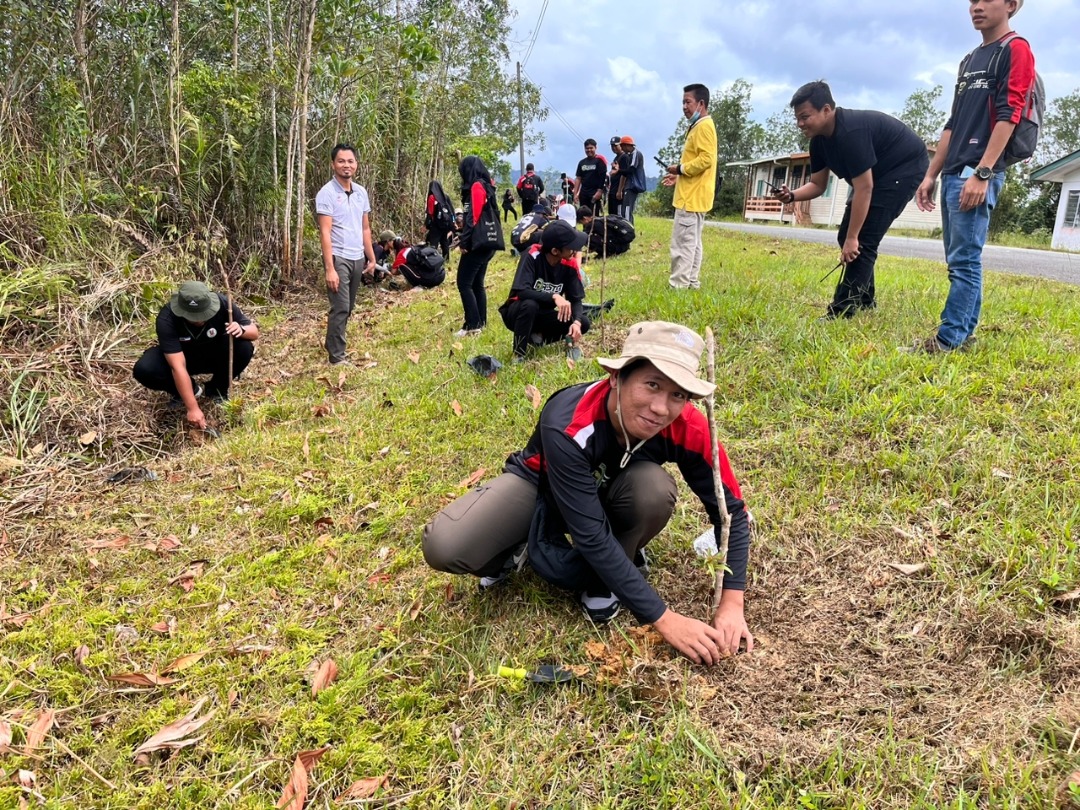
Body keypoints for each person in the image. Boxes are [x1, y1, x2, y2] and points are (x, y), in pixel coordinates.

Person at [422, 321, 753, 665]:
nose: (661, 407)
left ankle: (608, 576)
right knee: (446, 545)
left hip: (615, 493)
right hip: (542, 486)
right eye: (652, 385)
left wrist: (732, 601)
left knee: (653, 489)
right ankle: (516, 546)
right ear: (617, 377)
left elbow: (731, 513)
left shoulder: (690, 427)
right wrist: (665, 620)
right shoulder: (569, 421)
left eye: (678, 395)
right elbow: (591, 536)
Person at [912, 0, 1036, 352]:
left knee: (963, 261)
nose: (976, 7)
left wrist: (984, 172)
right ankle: (964, 337)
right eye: (971, 1)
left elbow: (1009, 113)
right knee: (960, 261)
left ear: (1011, 5)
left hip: (977, 172)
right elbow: (953, 122)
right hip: (953, 171)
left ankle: (948, 340)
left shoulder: (1016, 49)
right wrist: (930, 173)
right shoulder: (969, 61)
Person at [774, 81, 929, 320]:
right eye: (797, 118)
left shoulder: (850, 133)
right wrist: (792, 195)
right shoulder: (819, 142)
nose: (800, 124)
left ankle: (841, 311)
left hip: (904, 169)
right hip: (875, 176)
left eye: (805, 116)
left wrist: (853, 238)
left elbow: (864, 188)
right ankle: (866, 299)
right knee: (845, 235)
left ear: (826, 109)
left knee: (862, 241)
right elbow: (818, 184)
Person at [133, 281, 259, 429]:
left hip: (214, 354)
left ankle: (217, 389)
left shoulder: (223, 304)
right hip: (184, 359)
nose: (198, 320)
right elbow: (177, 366)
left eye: (202, 315)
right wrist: (192, 408)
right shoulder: (167, 318)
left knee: (244, 347)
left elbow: (254, 332)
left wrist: (241, 329)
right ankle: (189, 390)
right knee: (145, 368)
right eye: (192, 316)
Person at [316, 143, 376, 365]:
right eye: (341, 161)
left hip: (357, 256)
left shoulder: (361, 192)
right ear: (333, 164)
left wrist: (371, 257)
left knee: (348, 306)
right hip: (338, 257)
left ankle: (332, 342)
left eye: (350, 161)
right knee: (340, 307)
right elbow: (325, 231)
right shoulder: (327, 193)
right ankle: (337, 356)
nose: (346, 165)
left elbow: (365, 228)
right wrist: (330, 268)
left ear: (356, 164)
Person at [498, 220, 590, 363]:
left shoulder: (569, 264)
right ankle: (519, 354)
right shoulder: (532, 255)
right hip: (518, 313)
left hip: (543, 316)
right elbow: (522, 291)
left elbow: (576, 299)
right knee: (530, 305)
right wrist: (554, 296)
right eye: (570, 247)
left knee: (584, 321)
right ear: (555, 251)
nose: (575, 250)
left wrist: (576, 323)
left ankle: (537, 338)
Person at [662, 84, 717, 289]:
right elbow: (700, 163)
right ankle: (691, 281)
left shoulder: (703, 126)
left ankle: (679, 285)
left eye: (688, 102)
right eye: (683, 102)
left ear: (701, 104)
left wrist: (680, 169)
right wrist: (679, 177)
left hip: (691, 198)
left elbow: (706, 160)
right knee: (693, 243)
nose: (684, 106)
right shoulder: (700, 126)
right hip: (695, 193)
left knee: (682, 244)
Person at [455, 156, 504, 338]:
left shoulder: (477, 186)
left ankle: (473, 325)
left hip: (478, 243)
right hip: (487, 243)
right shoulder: (487, 185)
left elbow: (473, 217)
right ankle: (480, 322)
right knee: (477, 283)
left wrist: (464, 242)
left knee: (464, 283)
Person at [615, 136, 647, 224]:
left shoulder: (636, 154)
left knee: (627, 210)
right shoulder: (629, 155)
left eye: (622, 146)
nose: (621, 148)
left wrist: (619, 171)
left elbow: (631, 169)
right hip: (628, 185)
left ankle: (628, 229)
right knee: (624, 209)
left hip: (633, 185)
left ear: (626, 145)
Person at [574, 139, 608, 217]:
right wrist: (575, 194)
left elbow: (603, 177)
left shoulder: (600, 161)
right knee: (584, 215)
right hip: (584, 193)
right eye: (587, 148)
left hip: (595, 194)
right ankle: (586, 229)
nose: (589, 150)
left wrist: (599, 191)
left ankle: (594, 229)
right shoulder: (582, 163)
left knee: (594, 215)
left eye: (591, 148)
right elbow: (578, 178)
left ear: (595, 148)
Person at [607, 136, 623, 215]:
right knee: (612, 214)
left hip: (619, 190)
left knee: (618, 216)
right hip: (612, 189)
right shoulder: (616, 158)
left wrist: (620, 190)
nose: (613, 148)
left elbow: (624, 175)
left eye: (615, 145)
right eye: (612, 146)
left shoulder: (624, 157)